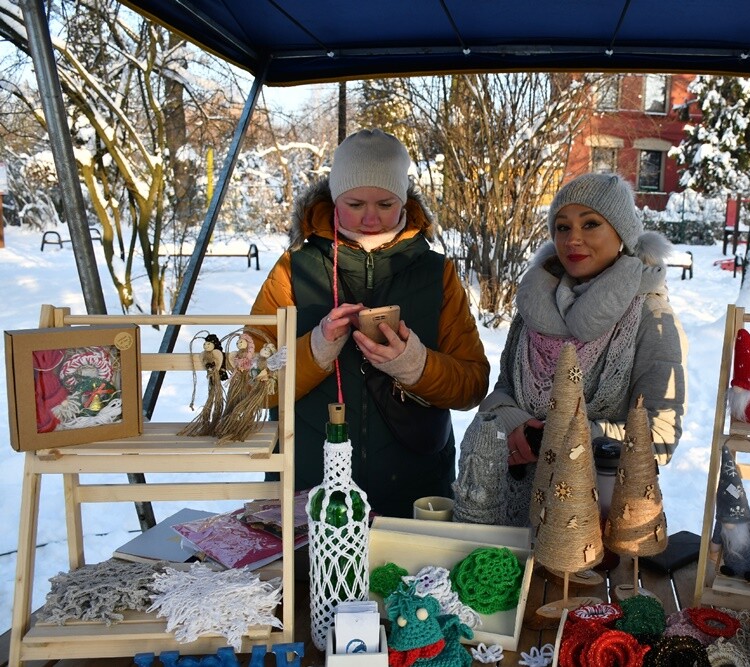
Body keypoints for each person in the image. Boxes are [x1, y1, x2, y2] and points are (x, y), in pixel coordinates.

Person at [252, 129, 489, 518]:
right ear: (333, 198)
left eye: (385, 202)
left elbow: (472, 384)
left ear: (405, 199)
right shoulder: (293, 270)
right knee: (310, 581)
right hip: (308, 492)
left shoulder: (437, 272)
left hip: (414, 491)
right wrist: (313, 352)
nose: (370, 217)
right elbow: (251, 384)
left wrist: (416, 366)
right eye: (355, 203)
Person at [459, 172, 687, 526]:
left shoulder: (648, 315)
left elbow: (659, 437)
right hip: (509, 513)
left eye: (591, 223)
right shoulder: (536, 304)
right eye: (562, 227)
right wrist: (516, 425)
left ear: (622, 235)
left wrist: (557, 438)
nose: (572, 239)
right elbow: (504, 390)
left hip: (593, 524)